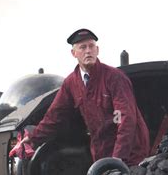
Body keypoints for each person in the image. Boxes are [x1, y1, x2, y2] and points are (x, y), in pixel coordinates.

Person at [10, 29, 150, 167]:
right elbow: (54, 116)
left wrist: (118, 158)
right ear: (74, 53)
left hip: (131, 154)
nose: (88, 51)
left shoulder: (115, 78)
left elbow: (127, 118)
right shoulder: (71, 83)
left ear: (97, 50)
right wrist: (33, 139)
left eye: (91, 46)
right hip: (102, 152)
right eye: (83, 47)